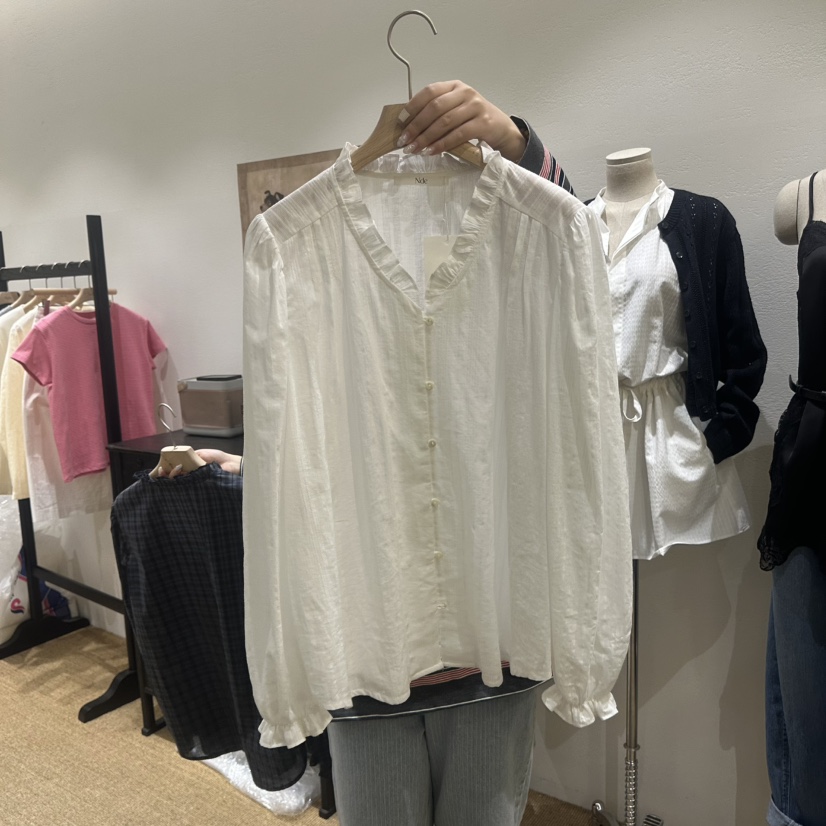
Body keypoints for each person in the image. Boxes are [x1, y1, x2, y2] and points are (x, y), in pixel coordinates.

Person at [165, 81, 579, 826]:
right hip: (361, 641)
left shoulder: (540, 228)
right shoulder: (290, 246)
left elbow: (582, 437)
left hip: (500, 637)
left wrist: (519, 145)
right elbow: (289, 448)